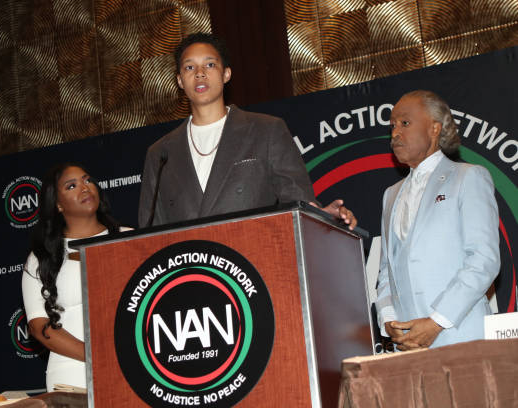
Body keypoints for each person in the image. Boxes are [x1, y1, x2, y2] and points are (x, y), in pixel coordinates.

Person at [138, 32, 356, 229]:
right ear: (179, 81)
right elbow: (150, 232)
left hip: (250, 263)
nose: (200, 73)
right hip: (189, 270)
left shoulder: (266, 130)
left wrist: (320, 216)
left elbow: (298, 201)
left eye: (210, 65)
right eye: (189, 67)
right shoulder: (160, 153)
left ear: (226, 74)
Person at [376, 90, 500, 350]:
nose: (395, 133)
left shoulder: (469, 177)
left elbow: (484, 260)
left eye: (405, 123)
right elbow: (387, 271)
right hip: (408, 347)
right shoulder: (390, 195)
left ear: (434, 128)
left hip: (463, 338)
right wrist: (388, 319)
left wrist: (436, 322)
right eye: (393, 126)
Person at [22, 163, 127, 390]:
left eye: (88, 180)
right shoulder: (41, 257)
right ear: (57, 204)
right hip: (70, 375)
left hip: (131, 367)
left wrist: (122, 357)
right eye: (72, 186)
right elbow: (39, 325)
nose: (85, 188)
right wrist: (97, 355)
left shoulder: (131, 239)